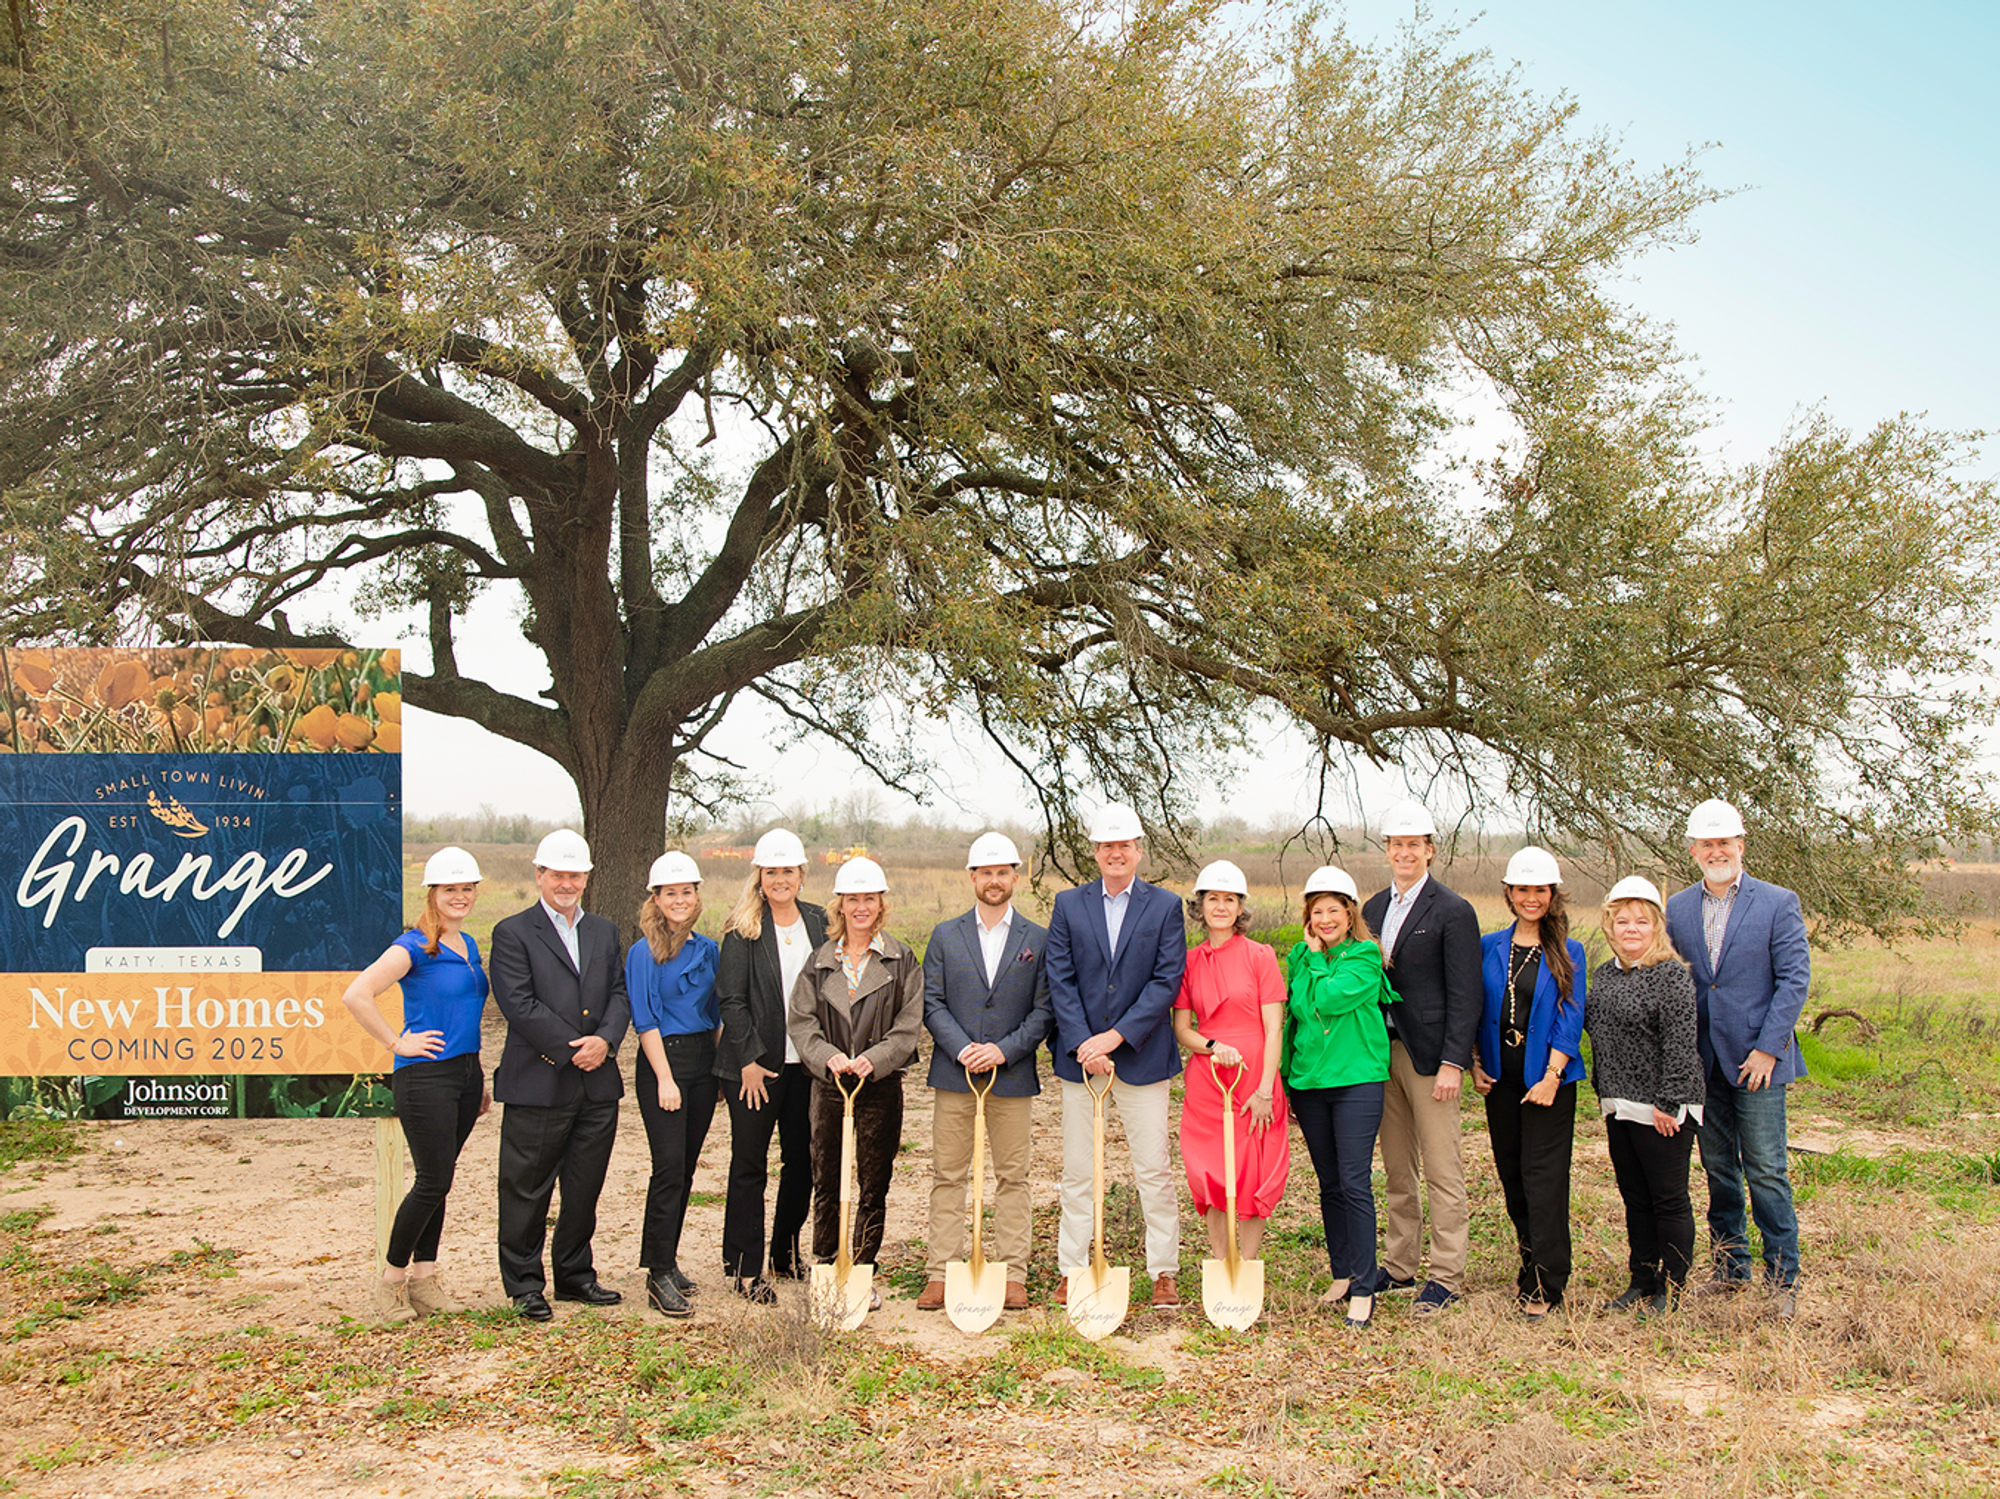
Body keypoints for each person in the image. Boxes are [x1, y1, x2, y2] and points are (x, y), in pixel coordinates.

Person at [1664, 799, 1809, 1319]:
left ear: (1741, 846)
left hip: (1758, 1062)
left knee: (1767, 1169)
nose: (1717, 850)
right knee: (1719, 1167)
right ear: (1693, 850)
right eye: (1707, 843)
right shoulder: (1677, 908)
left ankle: (1783, 1279)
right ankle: (1730, 1267)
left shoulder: (1777, 902)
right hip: (1703, 1063)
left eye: (1725, 842)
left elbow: (1794, 979)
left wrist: (1769, 1048)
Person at [1047, 801, 1188, 1310]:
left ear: (1138, 851)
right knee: (1080, 1170)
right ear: (1095, 852)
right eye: (1107, 846)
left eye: (1124, 845)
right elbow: (1059, 979)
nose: (1115, 853)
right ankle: (1072, 1268)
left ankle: (1164, 1269)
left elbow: (1165, 981)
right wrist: (1086, 1043)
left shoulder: (1164, 906)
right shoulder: (1068, 904)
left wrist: (1116, 1038)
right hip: (1081, 1059)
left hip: (1142, 1057)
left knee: (1153, 1168)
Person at [341, 846, 491, 1319]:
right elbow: (357, 993)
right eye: (451, 889)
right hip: (425, 1075)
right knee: (432, 1180)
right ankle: (389, 1284)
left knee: (440, 1181)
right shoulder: (414, 945)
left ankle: (426, 1281)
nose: (460, 897)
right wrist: (395, 1041)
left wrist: (479, 1073)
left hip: (466, 1074)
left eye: (467, 889)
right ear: (433, 893)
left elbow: (465, 1011)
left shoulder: (468, 946)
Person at [489, 829, 631, 1321]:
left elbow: (620, 993)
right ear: (539, 876)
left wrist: (607, 1042)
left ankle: (575, 1275)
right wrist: (576, 1050)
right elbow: (519, 1004)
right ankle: (525, 1284)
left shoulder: (604, 932)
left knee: (584, 1185)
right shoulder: (512, 932)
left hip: (597, 1084)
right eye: (558, 875)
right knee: (527, 1188)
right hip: (540, 1080)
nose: (567, 883)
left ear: (587, 878)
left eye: (575, 875)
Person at [916, 832, 1052, 1314]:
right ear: (972, 877)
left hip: (1010, 1076)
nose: (994, 881)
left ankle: (1013, 1271)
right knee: (948, 1174)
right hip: (955, 1075)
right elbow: (930, 1002)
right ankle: (941, 1271)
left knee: (1013, 1176)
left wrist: (1002, 1051)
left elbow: (1043, 1010)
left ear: (1015, 877)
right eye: (985, 873)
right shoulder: (945, 935)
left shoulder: (1037, 939)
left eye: (1002, 873)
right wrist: (963, 1050)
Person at [1359, 800, 1482, 1312]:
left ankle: (1447, 1274)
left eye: (1414, 844)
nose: (1404, 852)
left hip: (1430, 1059)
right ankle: (1401, 1264)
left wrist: (1455, 1061)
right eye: (1396, 844)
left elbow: (1466, 993)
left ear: (1430, 850)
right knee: (1397, 1167)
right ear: (1387, 850)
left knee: (1442, 1169)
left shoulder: (1453, 910)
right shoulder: (1370, 910)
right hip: (1380, 1053)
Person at [788, 856, 924, 1309]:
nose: (861, 907)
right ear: (839, 905)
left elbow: (908, 1027)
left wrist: (874, 1059)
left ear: (881, 904)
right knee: (826, 1179)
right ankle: (826, 1267)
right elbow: (802, 1022)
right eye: (852, 899)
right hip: (829, 1085)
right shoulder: (820, 961)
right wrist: (829, 1059)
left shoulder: (901, 959)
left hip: (879, 1086)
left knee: (873, 1181)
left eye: (869, 899)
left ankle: (862, 1270)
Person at [1471, 846, 1587, 1320]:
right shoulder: (1489, 945)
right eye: (1523, 889)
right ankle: (1528, 1264)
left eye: (1540, 889)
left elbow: (1571, 1016)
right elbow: (1477, 1009)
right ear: (1509, 893)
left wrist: (1552, 1076)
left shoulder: (1568, 951)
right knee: (1513, 1175)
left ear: (1551, 894)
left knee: (1544, 1178)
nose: (1531, 897)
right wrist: (1475, 1061)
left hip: (1548, 1080)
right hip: (1501, 1078)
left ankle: (1548, 1279)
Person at [714, 828, 826, 1304]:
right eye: (771, 871)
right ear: (759, 876)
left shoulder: (821, 923)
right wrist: (750, 1060)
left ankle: (783, 1251)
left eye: (788, 871)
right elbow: (731, 1000)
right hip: (755, 1070)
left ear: (802, 874)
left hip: (807, 1067)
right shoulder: (742, 929)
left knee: (802, 1163)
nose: (780, 879)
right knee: (749, 1165)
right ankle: (744, 1267)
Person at [1281, 865, 1393, 1329]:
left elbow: (1325, 1001)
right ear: (1308, 916)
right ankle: (1342, 1272)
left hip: (1356, 1081)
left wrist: (1314, 966)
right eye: (1317, 911)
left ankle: (1365, 1286)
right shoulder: (1298, 955)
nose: (1326, 919)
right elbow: (1297, 1007)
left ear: (1350, 914)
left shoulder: (1366, 955)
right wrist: (1285, 1078)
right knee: (1329, 1183)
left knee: (1354, 1180)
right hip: (1309, 1082)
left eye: (1334, 910)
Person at [1587, 875, 1705, 1315]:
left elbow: (1680, 1043)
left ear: (1656, 925)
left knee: (1667, 1198)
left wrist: (1668, 1103)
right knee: (1634, 1197)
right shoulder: (1606, 976)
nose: (1631, 929)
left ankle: (1671, 1288)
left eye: (1641, 921)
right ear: (1609, 927)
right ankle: (1641, 1278)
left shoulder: (1671, 975)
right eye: (1622, 921)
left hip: (1663, 1108)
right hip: (1620, 1105)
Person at [1172, 861, 1289, 1271]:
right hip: (1209, 1078)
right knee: (1211, 1172)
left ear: (1241, 908)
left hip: (1255, 1077)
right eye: (1212, 899)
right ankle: (1220, 1263)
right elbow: (1183, 1029)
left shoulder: (1261, 956)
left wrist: (1264, 1090)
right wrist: (1211, 1045)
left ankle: (1248, 1264)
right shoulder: (1187, 961)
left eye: (1229, 900)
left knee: (1251, 1172)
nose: (1220, 907)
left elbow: (1274, 1029)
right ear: (1199, 906)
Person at [625, 851, 720, 1320]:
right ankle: (656, 1271)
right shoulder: (643, 951)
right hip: (664, 1061)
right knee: (666, 1169)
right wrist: (665, 1078)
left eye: (686, 892)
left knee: (684, 1169)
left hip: (703, 1061)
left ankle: (670, 1259)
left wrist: (720, 1069)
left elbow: (716, 1015)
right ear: (656, 899)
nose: (679, 900)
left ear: (695, 896)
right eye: (670, 894)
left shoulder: (708, 949)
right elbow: (644, 1020)